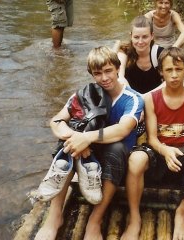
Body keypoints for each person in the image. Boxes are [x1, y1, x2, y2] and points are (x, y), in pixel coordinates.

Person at [34, 46, 144, 240]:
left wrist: (85, 138)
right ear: (91, 74)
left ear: (118, 68)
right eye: (98, 73)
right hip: (86, 155)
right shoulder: (85, 94)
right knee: (66, 143)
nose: (104, 78)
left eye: (109, 71)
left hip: (116, 160)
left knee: (116, 148)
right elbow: (56, 121)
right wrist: (74, 137)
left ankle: (94, 221)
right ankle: (54, 216)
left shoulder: (132, 98)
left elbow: (122, 129)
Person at [121, 47, 184, 240]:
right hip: (158, 152)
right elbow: (153, 139)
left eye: (178, 69)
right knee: (136, 159)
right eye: (169, 70)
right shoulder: (150, 99)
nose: (174, 75)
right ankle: (134, 218)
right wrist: (165, 150)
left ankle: (182, 211)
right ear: (161, 73)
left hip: (183, 155)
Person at [118, 15, 164, 95]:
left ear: (152, 36)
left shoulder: (160, 53)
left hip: (155, 97)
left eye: (145, 37)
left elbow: (168, 81)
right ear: (131, 36)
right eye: (136, 37)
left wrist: (145, 97)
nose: (140, 42)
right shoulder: (124, 51)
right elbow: (120, 76)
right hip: (132, 98)